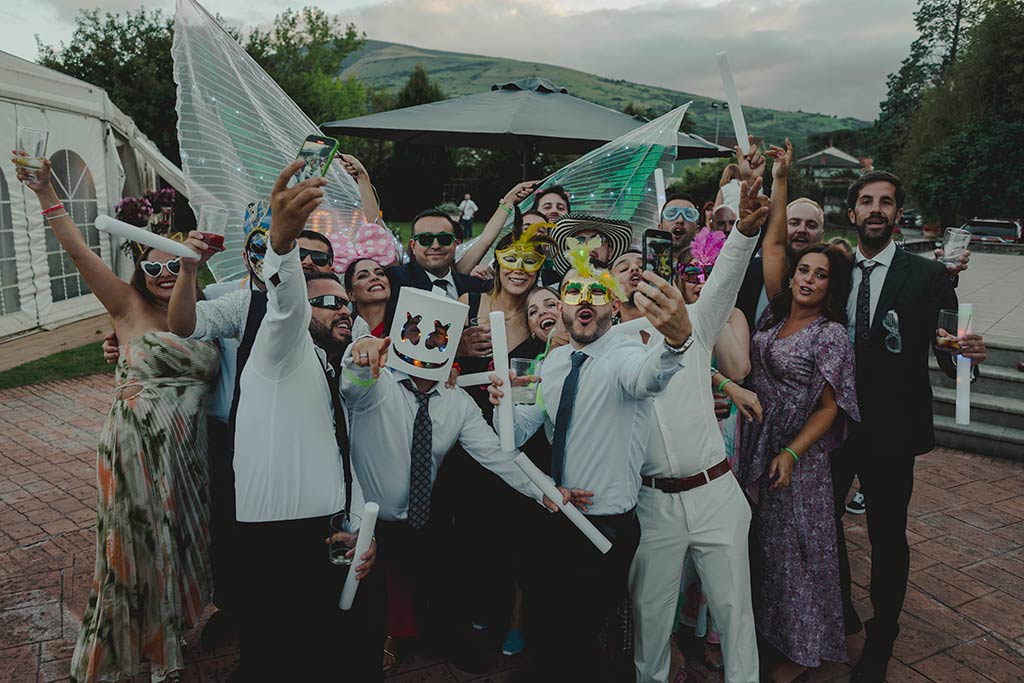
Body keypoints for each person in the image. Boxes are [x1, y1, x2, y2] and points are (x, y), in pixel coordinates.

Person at [14, 151, 220, 683]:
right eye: (150, 265)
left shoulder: (214, 311)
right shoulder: (126, 309)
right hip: (134, 446)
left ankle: (167, 639)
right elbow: (80, 254)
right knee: (134, 550)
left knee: (178, 542)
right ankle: (147, 656)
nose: (160, 274)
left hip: (189, 453)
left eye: (173, 264)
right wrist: (45, 194)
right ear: (140, 268)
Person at [488, 230, 694, 682]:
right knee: (549, 628)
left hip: (604, 525)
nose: (585, 300)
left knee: (580, 637)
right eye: (574, 291)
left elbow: (648, 378)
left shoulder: (624, 355)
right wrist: (504, 401)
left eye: (597, 292)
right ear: (561, 307)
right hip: (555, 516)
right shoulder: (555, 363)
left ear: (614, 307)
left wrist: (677, 343)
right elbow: (524, 430)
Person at [339, 303, 566, 672]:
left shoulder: (457, 402)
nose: (426, 344)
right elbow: (353, 383)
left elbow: (497, 454)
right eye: (415, 334)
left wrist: (544, 490)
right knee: (369, 611)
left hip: (425, 516)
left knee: (440, 591)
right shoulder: (375, 386)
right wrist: (359, 356)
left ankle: (446, 642)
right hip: (370, 522)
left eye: (437, 337)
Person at [223, 160, 381, 682]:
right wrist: (284, 246)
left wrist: (353, 525)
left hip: (325, 533)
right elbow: (286, 307)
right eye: (325, 302)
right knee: (277, 659)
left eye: (343, 302)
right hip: (276, 544)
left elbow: (342, 449)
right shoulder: (278, 352)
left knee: (336, 652)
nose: (339, 309)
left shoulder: (324, 365)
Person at [831, 170, 987, 683]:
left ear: (898, 215)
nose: (876, 210)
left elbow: (950, 356)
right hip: (830, 428)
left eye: (887, 203)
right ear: (851, 213)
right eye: (867, 202)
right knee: (822, 527)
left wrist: (966, 355)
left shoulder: (927, 277)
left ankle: (881, 638)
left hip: (891, 432)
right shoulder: (831, 270)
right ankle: (843, 611)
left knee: (886, 539)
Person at [613, 189, 765, 683]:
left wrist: (744, 229)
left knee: (736, 616)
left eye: (647, 264)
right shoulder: (599, 347)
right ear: (610, 289)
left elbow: (723, 282)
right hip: (652, 504)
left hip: (716, 491)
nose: (639, 272)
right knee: (650, 622)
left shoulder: (693, 324)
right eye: (626, 268)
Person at [737, 140, 860, 681]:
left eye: (820, 274)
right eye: (803, 270)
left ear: (832, 286)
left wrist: (791, 450)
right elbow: (773, 246)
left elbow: (832, 409)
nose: (807, 278)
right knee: (761, 550)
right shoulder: (774, 315)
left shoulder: (831, 334)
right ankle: (770, 634)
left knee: (796, 557)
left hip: (795, 455)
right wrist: (780, 180)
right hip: (752, 437)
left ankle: (800, 651)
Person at [385, 208, 488, 319]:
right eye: (426, 239)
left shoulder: (475, 286)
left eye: (444, 239)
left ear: (455, 244)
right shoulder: (394, 280)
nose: (436, 246)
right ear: (413, 246)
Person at [455, 180, 543, 275]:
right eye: (510, 260)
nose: (518, 269)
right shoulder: (460, 277)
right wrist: (510, 199)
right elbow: (485, 241)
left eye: (529, 262)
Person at [549, 213, 633, 275]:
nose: (588, 245)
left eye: (597, 239)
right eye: (579, 241)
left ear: (610, 252)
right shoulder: (553, 294)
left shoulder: (624, 293)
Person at [659, 193, 701, 258]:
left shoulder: (711, 265)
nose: (680, 220)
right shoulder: (646, 264)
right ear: (660, 228)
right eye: (671, 214)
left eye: (689, 215)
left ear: (697, 230)